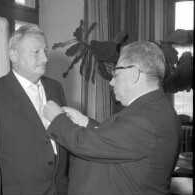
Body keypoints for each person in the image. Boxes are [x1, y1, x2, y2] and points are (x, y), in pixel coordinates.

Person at [43, 41, 182, 195]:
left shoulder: (146, 119)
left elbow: (85, 144)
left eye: (116, 74)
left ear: (134, 74)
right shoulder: (152, 110)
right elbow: (115, 140)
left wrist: (57, 118)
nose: (111, 82)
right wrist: (84, 121)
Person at [0, 25, 68, 195]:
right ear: (13, 55)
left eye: (45, 50)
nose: (44, 58)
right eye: (36, 52)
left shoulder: (55, 88)